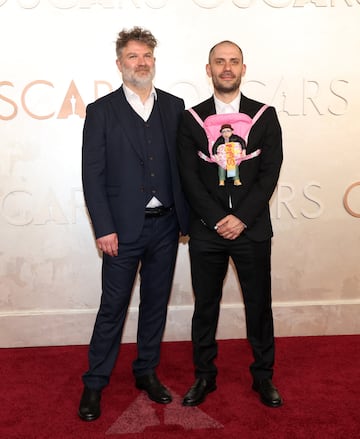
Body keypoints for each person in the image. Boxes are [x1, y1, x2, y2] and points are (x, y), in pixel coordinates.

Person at [79, 26, 188, 421]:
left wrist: (187, 219)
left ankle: (146, 371)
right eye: (133, 57)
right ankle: (94, 383)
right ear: (119, 63)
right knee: (113, 308)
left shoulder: (175, 107)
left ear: (154, 61)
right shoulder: (101, 111)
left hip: (166, 226)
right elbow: (92, 175)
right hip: (122, 230)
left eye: (146, 56)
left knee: (155, 304)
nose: (140, 63)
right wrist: (104, 227)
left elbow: (186, 168)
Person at [177, 40, 283, 408]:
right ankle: (204, 377)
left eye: (233, 61)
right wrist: (218, 218)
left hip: (252, 229)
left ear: (243, 68)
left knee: (259, 305)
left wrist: (241, 218)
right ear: (208, 70)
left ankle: (264, 377)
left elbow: (269, 174)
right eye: (219, 62)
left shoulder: (265, 116)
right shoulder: (190, 118)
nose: (226, 68)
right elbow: (189, 178)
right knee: (206, 306)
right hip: (207, 231)